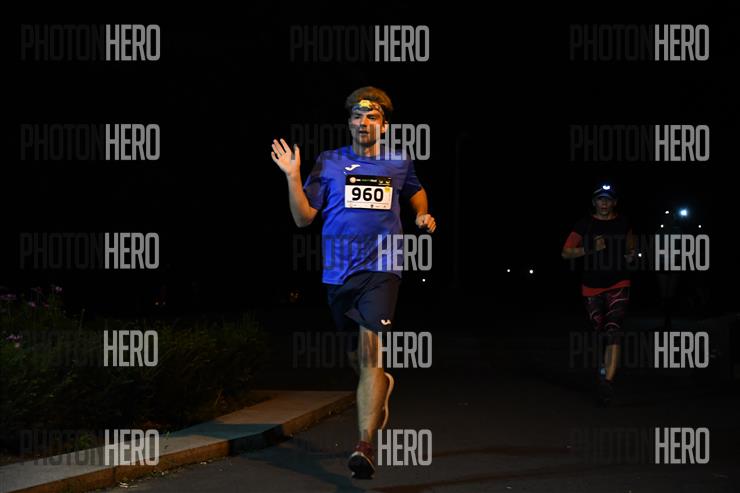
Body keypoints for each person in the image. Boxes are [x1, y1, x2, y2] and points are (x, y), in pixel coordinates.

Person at [271, 86, 436, 478]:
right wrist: (292, 177)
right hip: (338, 273)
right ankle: (381, 387)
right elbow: (303, 218)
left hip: (383, 269)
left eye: (372, 116)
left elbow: (416, 191)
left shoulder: (398, 161)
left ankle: (364, 445)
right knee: (356, 359)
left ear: (384, 125)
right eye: (358, 116)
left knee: (370, 353)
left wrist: (422, 214)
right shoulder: (329, 161)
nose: (364, 122)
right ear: (349, 123)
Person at [562, 185, 635, 406]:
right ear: (594, 202)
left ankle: (607, 383)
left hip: (619, 283)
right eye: (600, 199)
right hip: (591, 286)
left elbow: (631, 246)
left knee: (613, 330)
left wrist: (631, 254)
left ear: (614, 203)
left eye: (608, 199)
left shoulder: (623, 223)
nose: (604, 203)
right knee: (601, 332)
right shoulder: (584, 224)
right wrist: (590, 249)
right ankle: (602, 369)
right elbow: (566, 252)